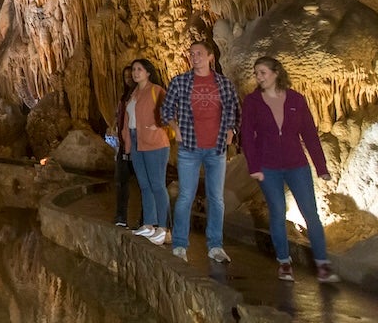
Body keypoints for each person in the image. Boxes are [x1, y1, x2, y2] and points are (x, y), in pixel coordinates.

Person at [240, 56, 340, 283]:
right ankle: (284, 262)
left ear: (276, 73)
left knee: (311, 213)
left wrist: (321, 167)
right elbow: (247, 136)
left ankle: (323, 264)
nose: (258, 77)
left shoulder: (296, 99)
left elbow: (310, 135)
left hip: (297, 164)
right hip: (268, 165)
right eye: (256, 73)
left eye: (262, 72)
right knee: (277, 211)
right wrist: (254, 166)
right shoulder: (253, 102)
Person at [162, 39, 240, 263]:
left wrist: (231, 130)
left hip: (216, 148)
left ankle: (215, 245)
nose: (194, 57)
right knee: (186, 196)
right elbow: (166, 109)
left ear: (210, 57)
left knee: (216, 198)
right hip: (189, 148)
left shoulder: (223, 84)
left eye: (198, 53)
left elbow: (234, 109)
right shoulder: (180, 82)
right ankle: (179, 244)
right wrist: (175, 127)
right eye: (191, 53)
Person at [121, 59, 170, 244]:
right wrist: (127, 143)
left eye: (139, 69)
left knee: (157, 184)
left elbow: (170, 112)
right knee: (144, 185)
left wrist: (156, 126)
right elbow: (128, 119)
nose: (135, 73)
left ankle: (163, 228)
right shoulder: (134, 93)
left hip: (155, 142)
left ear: (148, 72)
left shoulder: (156, 90)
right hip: (136, 142)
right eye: (133, 69)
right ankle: (149, 224)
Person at [111, 65, 137, 228]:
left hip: (138, 144)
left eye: (131, 75)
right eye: (126, 76)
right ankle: (121, 216)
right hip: (123, 143)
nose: (128, 78)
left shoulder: (142, 94)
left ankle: (148, 220)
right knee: (120, 180)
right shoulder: (124, 96)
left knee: (144, 184)